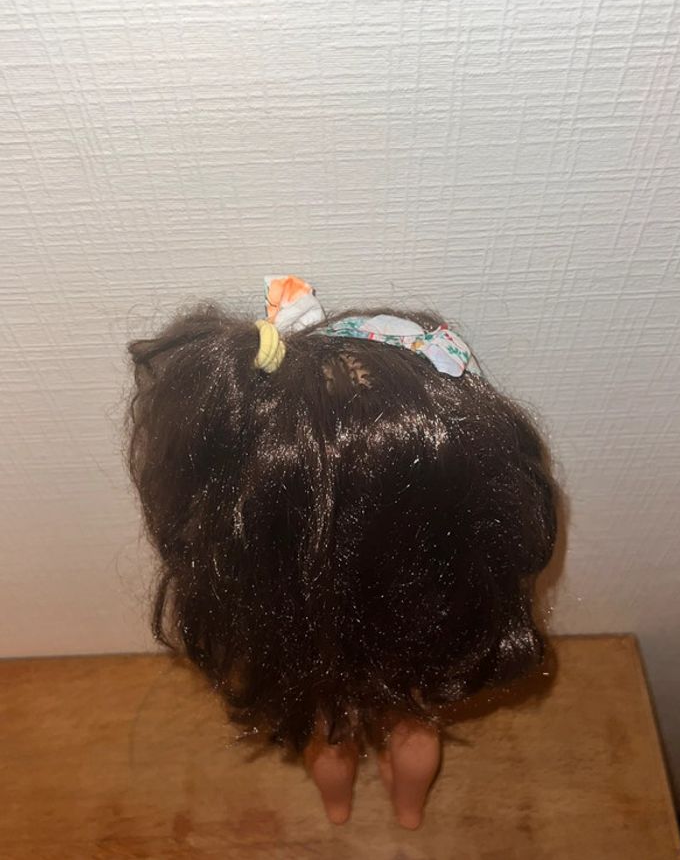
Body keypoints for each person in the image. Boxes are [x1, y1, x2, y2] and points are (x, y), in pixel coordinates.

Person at [126, 275, 558, 829]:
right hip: (410, 650)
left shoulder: (265, 577)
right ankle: (409, 812)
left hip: (311, 658)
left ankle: (337, 809)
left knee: (328, 740)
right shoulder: (438, 576)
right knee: (414, 731)